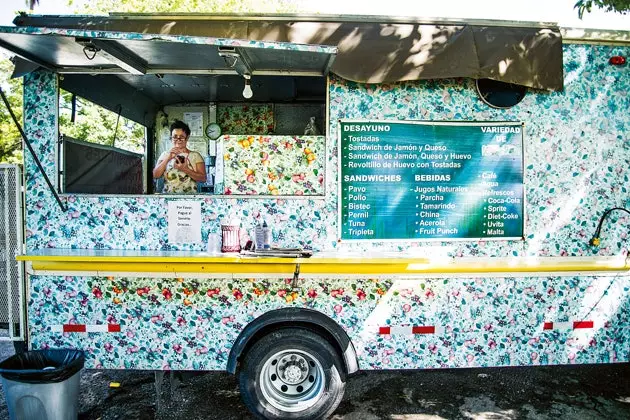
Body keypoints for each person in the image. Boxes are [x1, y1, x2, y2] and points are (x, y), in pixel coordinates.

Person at [153, 120, 206, 193]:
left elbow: (203, 178)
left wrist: (185, 169)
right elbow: (156, 175)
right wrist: (168, 158)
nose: (178, 140)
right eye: (175, 137)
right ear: (171, 138)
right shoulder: (165, 155)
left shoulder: (195, 156)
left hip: (190, 199)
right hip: (168, 199)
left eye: (181, 137)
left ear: (187, 138)